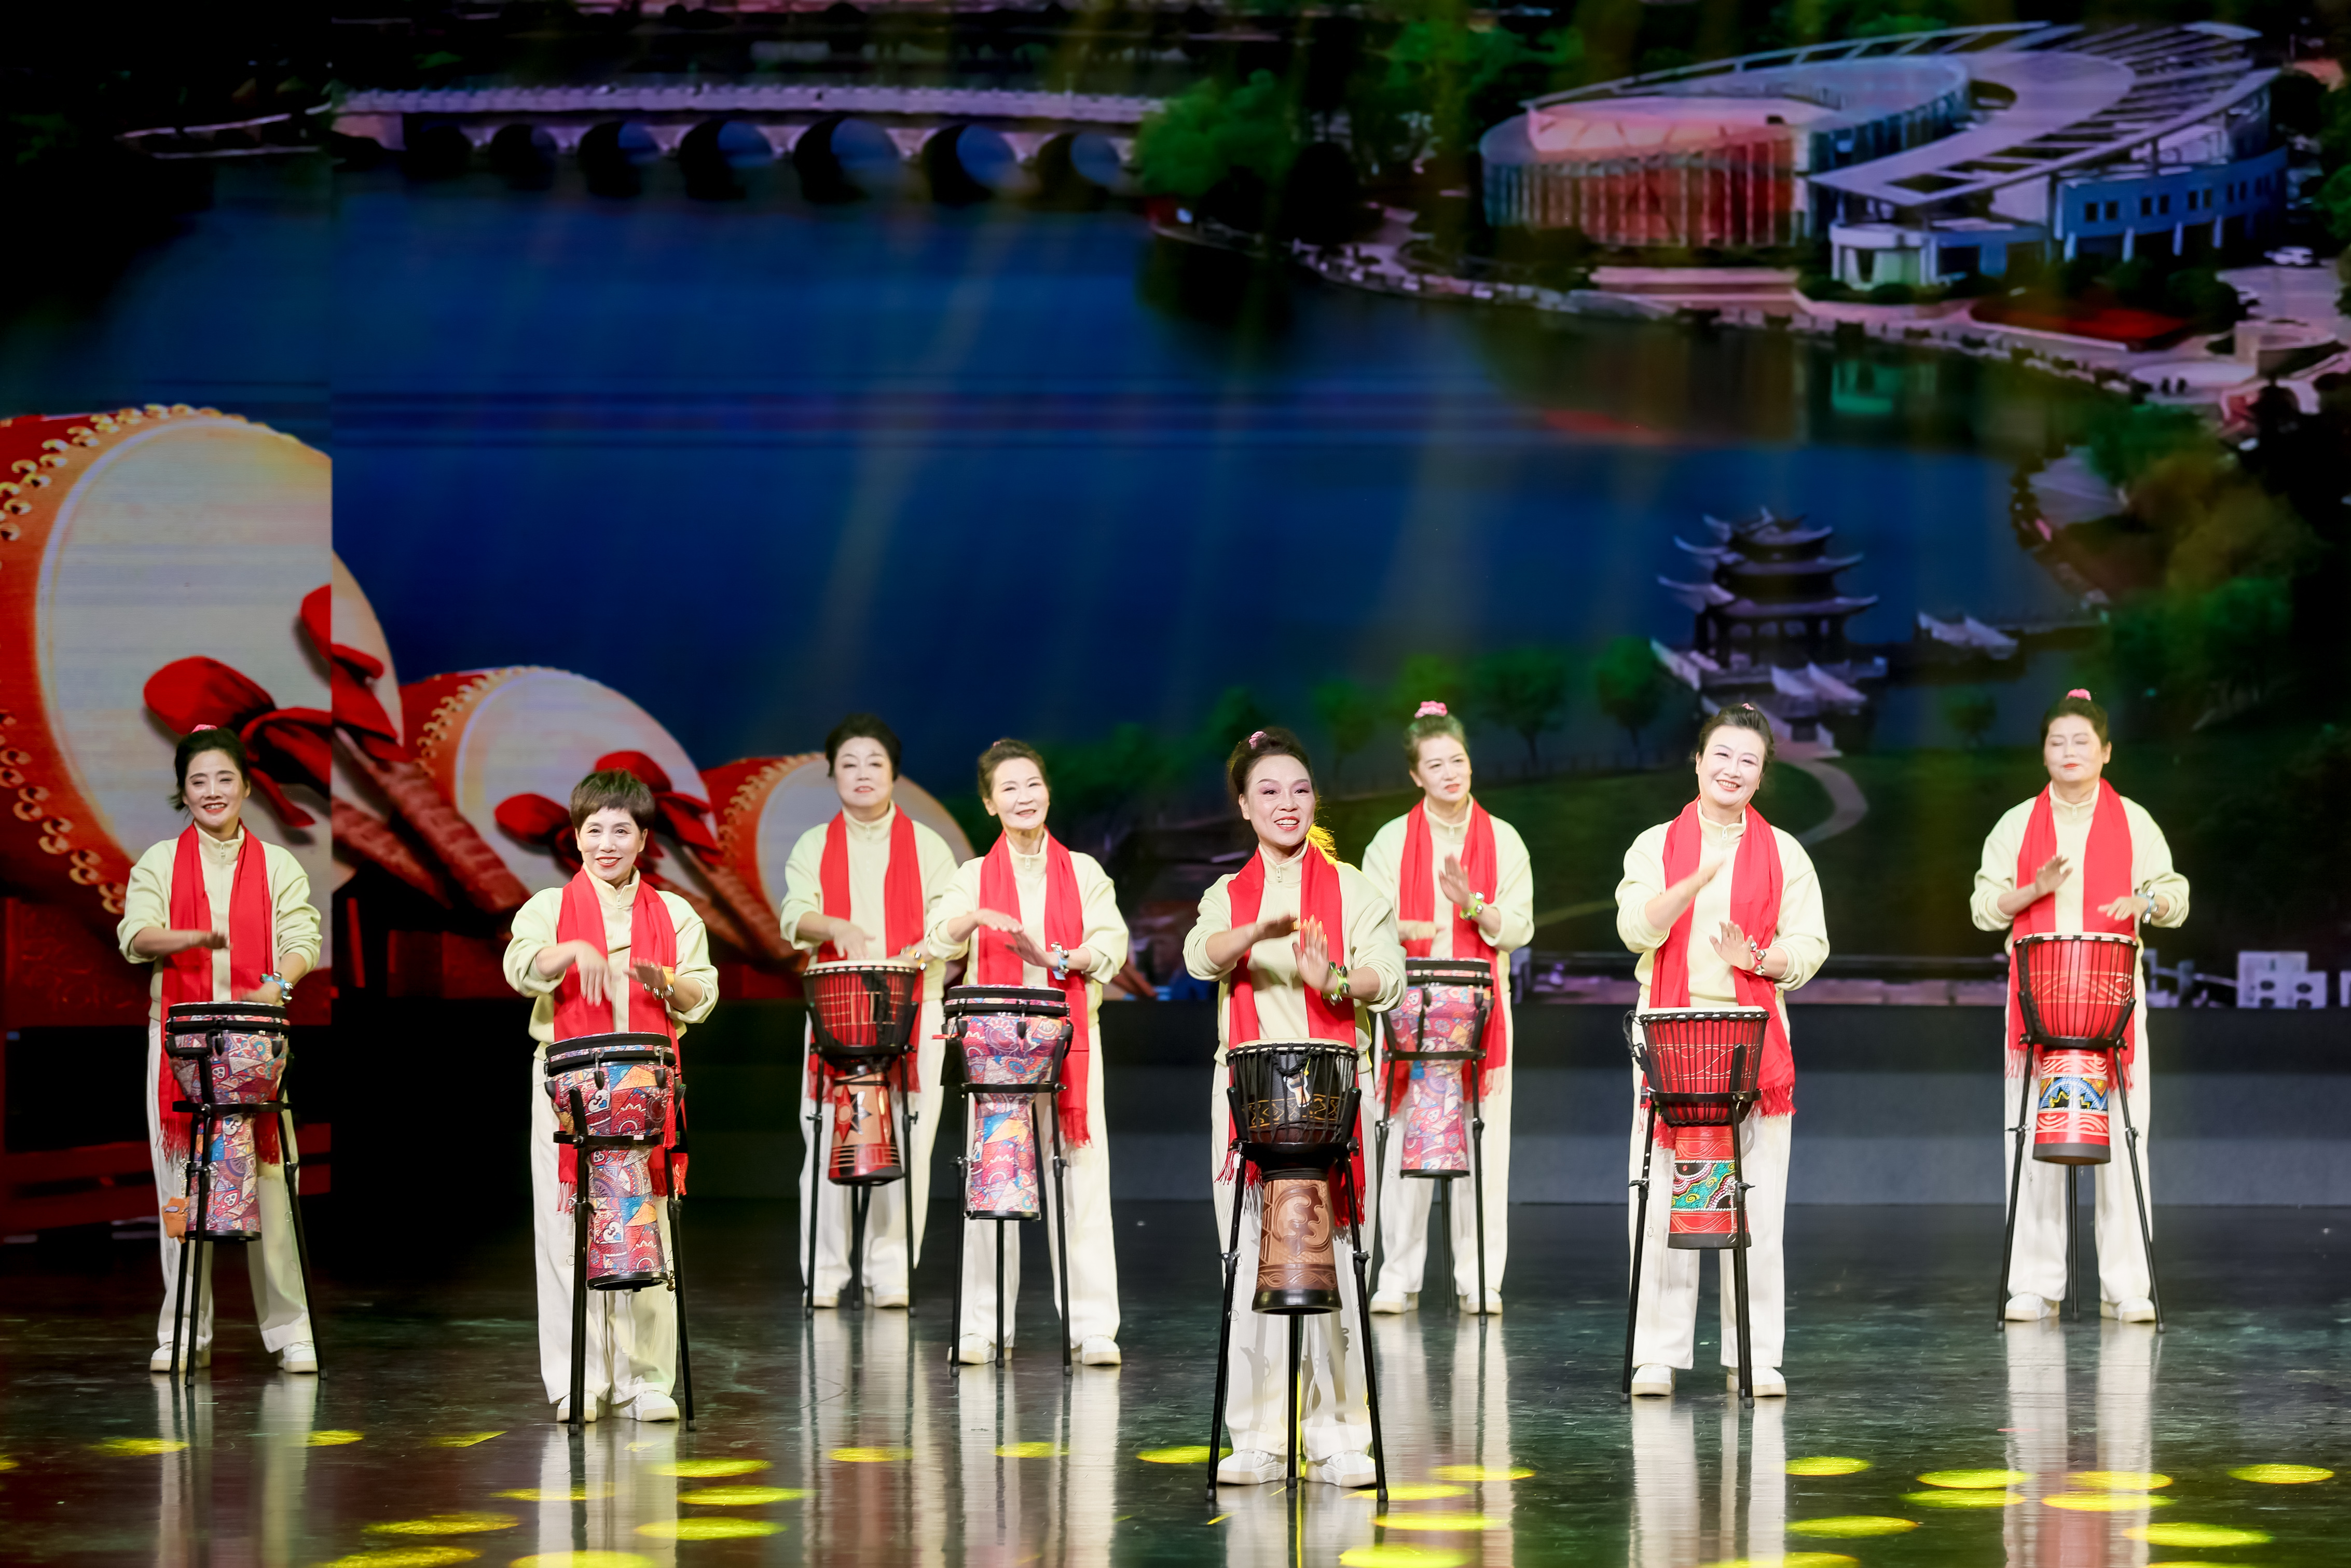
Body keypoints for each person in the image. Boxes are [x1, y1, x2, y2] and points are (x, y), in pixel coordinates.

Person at [1184, 728, 1405, 1488]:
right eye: (1269, 791)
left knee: (1333, 1260)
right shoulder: (1227, 894)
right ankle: (1257, 1436)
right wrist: (1252, 932)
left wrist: (1334, 977)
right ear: (1244, 806)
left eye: (1299, 789)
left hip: (1332, 1094)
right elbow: (1199, 956)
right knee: (1254, 1258)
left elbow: (1390, 976)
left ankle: (1338, 1433)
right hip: (1250, 1099)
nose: (1287, 803)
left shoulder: (1353, 888)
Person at [1615, 705, 1827, 1400]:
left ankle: (1753, 1354)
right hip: (1671, 1036)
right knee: (1662, 1197)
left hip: (1751, 1039)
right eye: (1722, 755)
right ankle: (1657, 1352)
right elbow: (1633, 928)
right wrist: (1687, 886)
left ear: (1761, 776)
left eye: (1747, 761)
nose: (1732, 770)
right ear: (1698, 760)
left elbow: (1809, 947)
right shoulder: (1655, 844)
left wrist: (1757, 959)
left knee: (1756, 1201)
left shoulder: (1784, 853)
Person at [503, 768, 718, 1421]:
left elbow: (702, 996)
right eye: (594, 829)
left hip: (646, 1086)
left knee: (643, 1222)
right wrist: (569, 948)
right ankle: (579, 1377)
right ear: (575, 837)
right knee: (567, 1227)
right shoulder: (549, 907)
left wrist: (666, 982)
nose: (606, 843)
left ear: (643, 839)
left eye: (621, 830)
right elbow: (520, 968)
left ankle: (645, 1381)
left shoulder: (674, 913)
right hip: (568, 1086)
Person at [1972, 689, 2186, 1324]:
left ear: (2106, 752)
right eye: (2057, 741)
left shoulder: (2135, 822)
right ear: (2043, 753)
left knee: (2123, 1135)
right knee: (2031, 1137)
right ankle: (2034, 1284)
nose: (2068, 752)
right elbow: (1983, 909)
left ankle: (2127, 1286)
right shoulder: (2016, 824)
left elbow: (2174, 895)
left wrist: (2145, 903)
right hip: (2038, 1003)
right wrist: (2032, 890)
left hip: (2111, 1002)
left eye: (2081, 742)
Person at [119, 726, 322, 1374]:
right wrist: (189, 937)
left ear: (247, 787)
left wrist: (278, 984)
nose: (212, 791)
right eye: (198, 781)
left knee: (270, 1183)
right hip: (181, 1042)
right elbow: (135, 934)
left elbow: (301, 937)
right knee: (183, 1181)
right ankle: (185, 1329)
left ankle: (290, 1331)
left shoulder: (277, 864)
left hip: (254, 1041)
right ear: (183, 792)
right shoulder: (159, 861)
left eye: (224, 779)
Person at [927, 739, 1129, 1367]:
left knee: (1082, 1180)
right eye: (1009, 788)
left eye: (1032, 784)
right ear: (990, 804)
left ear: (1047, 792)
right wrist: (974, 917)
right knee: (994, 1180)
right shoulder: (970, 877)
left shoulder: (1084, 872)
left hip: (1066, 1043)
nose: (1024, 797)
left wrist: (1057, 958)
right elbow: (936, 939)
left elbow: (1112, 945)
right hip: (995, 1049)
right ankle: (983, 1325)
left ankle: (1093, 1327)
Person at [775, 713, 959, 1308]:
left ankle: (891, 1271)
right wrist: (836, 926)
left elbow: (949, 927)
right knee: (828, 1138)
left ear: (894, 773)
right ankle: (825, 1271)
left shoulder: (928, 846)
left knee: (909, 1140)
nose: (862, 773)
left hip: (915, 1008)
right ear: (832, 773)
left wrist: (919, 953)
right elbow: (793, 915)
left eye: (874, 762)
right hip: (838, 1012)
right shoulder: (813, 844)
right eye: (849, 763)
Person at [1359, 701, 1533, 1315]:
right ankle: (1398, 1276)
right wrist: (1405, 927)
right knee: (1402, 1140)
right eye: (1435, 765)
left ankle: (1478, 1276)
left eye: (1456, 760)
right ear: (1416, 775)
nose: (1450, 773)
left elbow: (1519, 927)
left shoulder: (1503, 839)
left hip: (1480, 1012)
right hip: (1410, 1009)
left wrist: (1472, 905)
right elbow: (1367, 927)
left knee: (1482, 1142)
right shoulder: (1391, 842)